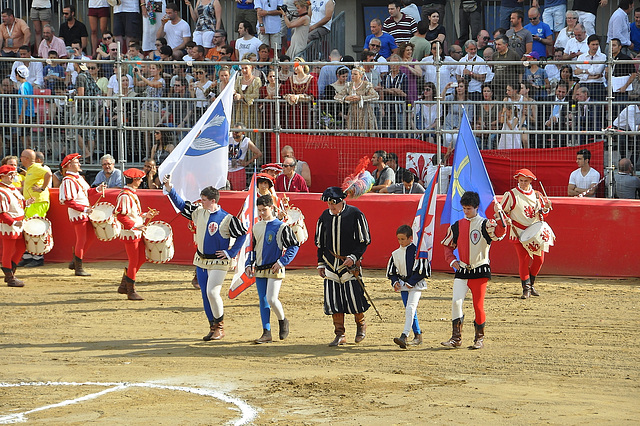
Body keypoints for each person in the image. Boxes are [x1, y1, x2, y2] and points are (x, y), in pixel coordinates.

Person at [163, 175, 248, 341]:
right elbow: (181, 205)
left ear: (213, 201)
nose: (200, 202)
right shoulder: (198, 212)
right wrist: (169, 187)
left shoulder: (227, 218)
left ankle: (220, 327)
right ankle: (212, 327)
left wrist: (231, 253)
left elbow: (242, 235)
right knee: (205, 294)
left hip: (218, 261)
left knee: (212, 292)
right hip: (201, 260)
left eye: (203, 200)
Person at [441, 191, 506, 349]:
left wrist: (499, 214)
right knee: (456, 302)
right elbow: (447, 246)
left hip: (480, 269)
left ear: (477, 207)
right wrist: (452, 261)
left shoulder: (486, 224)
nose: (466, 211)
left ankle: (479, 338)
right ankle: (456, 338)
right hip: (462, 269)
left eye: (469, 208)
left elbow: (501, 232)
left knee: (478, 305)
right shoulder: (456, 226)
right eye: (464, 208)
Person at [315, 187, 371, 346]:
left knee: (354, 297)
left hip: (350, 264)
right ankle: (340, 333)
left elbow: (364, 240)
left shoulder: (355, 214)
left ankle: (361, 325)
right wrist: (320, 263)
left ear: (341, 201)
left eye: (334, 204)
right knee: (333, 300)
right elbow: (320, 243)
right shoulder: (324, 216)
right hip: (331, 263)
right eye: (329, 205)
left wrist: (353, 257)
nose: (331, 207)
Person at [246, 194, 299, 344]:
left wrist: (282, 262)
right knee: (263, 300)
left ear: (272, 208)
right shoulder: (256, 227)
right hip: (260, 268)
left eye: (264, 210)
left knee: (271, 298)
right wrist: (249, 264)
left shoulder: (282, 227)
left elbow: (293, 246)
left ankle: (282, 320)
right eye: (259, 210)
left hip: (275, 267)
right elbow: (252, 249)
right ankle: (266, 332)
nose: (261, 213)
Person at [498, 168, 552, 299]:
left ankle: (531, 284)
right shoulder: (511, 194)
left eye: (525, 181)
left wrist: (546, 208)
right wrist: (506, 218)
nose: (523, 183)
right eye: (521, 181)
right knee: (524, 260)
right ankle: (526, 288)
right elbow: (501, 211)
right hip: (518, 232)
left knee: (539, 260)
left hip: (535, 232)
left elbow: (544, 213)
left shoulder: (538, 195)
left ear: (531, 181)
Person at [59, 153, 107, 277]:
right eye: (76, 162)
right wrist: (84, 209)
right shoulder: (68, 180)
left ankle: (75, 262)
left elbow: (87, 192)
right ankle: (78, 267)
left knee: (90, 236)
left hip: (84, 211)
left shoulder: (77, 178)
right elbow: (68, 201)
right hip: (79, 213)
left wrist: (97, 189)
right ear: (69, 165)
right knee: (82, 239)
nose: (79, 164)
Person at [116, 168, 157, 300]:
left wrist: (145, 215)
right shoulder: (125, 195)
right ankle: (130, 290)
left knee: (141, 258)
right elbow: (121, 216)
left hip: (135, 231)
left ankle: (125, 285)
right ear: (134, 180)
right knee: (134, 260)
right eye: (139, 179)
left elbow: (132, 214)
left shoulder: (129, 194)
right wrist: (135, 225)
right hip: (131, 232)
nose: (141, 181)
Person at [386, 224, 429, 348]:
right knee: (410, 310)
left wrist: (412, 282)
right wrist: (395, 282)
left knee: (410, 308)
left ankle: (404, 335)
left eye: (403, 239)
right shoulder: (395, 253)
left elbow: (423, 270)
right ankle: (417, 335)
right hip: (404, 285)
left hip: (415, 285)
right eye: (398, 239)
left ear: (410, 238)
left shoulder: (417, 251)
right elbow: (392, 272)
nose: (400, 242)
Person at [17, 150, 52, 268]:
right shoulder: (31, 170)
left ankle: (37, 257)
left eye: (21, 157)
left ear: (26, 158)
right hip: (34, 202)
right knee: (29, 228)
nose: (20, 159)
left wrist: (42, 189)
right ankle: (29, 256)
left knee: (35, 228)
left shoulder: (36, 167)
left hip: (38, 202)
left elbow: (48, 174)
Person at [0, 164, 29, 287]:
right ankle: (10, 277)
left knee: (22, 247)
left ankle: (10, 272)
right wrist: (12, 222)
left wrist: (27, 203)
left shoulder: (12, 189)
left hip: (18, 223)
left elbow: (18, 205)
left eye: (13, 174)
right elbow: (2, 213)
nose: (13, 177)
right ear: (3, 177)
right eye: (10, 175)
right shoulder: (2, 191)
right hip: (10, 225)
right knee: (8, 251)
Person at [335, 65, 380, 137]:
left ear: (361, 75)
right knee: (352, 130)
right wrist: (346, 98)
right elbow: (337, 96)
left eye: (355, 74)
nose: (352, 76)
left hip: (365, 111)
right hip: (352, 111)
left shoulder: (366, 85)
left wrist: (361, 98)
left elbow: (375, 96)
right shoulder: (349, 85)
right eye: (352, 74)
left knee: (365, 130)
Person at [280, 57, 318, 129]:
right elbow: (284, 93)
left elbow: (312, 96)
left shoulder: (311, 79)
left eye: (297, 65)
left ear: (302, 66)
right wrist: (290, 97)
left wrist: (298, 97)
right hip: (293, 109)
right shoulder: (290, 79)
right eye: (293, 66)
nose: (295, 68)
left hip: (306, 109)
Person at [228, 124, 262, 190]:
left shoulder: (246, 141)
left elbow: (259, 153)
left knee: (238, 193)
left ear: (243, 132)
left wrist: (247, 162)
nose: (234, 133)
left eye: (237, 132)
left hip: (238, 170)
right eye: (233, 131)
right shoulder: (229, 138)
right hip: (226, 170)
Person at [233, 61, 262, 132]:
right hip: (239, 110)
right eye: (242, 68)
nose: (244, 70)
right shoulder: (239, 79)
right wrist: (234, 93)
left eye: (246, 68)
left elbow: (256, 94)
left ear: (251, 68)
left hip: (252, 110)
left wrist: (242, 96)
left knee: (250, 129)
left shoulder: (256, 80)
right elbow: (235, 89)